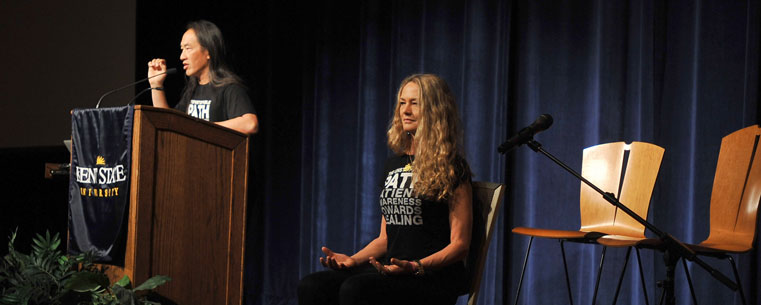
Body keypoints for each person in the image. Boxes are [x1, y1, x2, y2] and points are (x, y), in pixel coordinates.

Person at [298, 74, 473, 305]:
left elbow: (460, 245)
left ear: (435, 110)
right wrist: (353, 260)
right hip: (393, 270)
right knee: (312, 286)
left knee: (356, 290)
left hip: (432, 276)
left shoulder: (453, 167)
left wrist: (416, 266)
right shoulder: (394, 164)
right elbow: (385, 237)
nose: (405, 110)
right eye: (402, 102)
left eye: (415, 103)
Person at [147, 20, 259, 135]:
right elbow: (170, 123)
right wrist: (156, 85)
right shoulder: (193, 90)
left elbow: (250, 124)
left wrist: (201, 127)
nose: (182, 56)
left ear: (208, 52)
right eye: (182, 49)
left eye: (188, 48)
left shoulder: (229, 88)